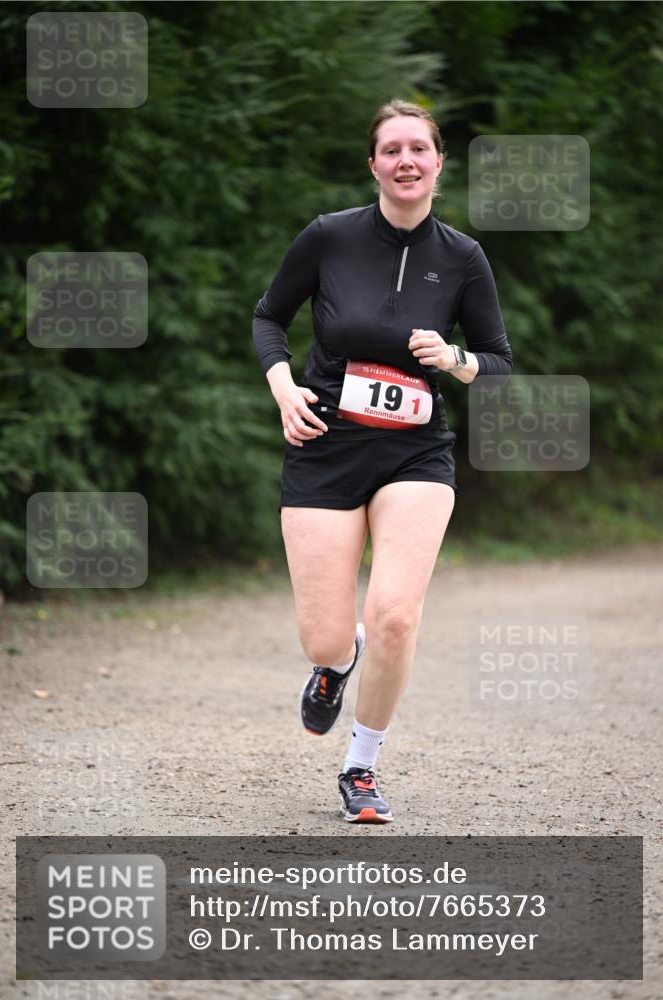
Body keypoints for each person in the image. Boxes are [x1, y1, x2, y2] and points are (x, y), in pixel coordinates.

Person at [252, 98, 513, 823]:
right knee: (326, 634)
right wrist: (283, 389)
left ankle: (361, 766)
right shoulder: (328, 238)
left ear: (436, 163)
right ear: (373, 164)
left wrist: (455, 358)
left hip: (415, 452)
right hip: (325, 445)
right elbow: (268, 315)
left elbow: (497, 363)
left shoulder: (461, 257)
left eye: (418, 149)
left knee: (396, 615)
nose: (405, 161)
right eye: (391, 149)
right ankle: (337, 663)